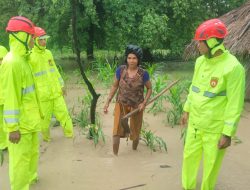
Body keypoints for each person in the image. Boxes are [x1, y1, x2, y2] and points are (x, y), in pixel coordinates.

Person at [181, 18, 245, 190]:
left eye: (200, 42)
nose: (198, 46)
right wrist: (186, 109)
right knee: (188, 159)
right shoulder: (200, 61)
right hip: (195, 124)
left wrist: (227, 133)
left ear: (212, 42)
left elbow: (235, 104)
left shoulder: (233, 68)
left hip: (215, 129)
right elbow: (194, 88)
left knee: (210, 168)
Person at [1, 16, 42, 190]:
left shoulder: (23, 61)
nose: (34, 40)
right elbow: (10, 98)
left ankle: (31, 181)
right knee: (19, 164)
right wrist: (13, 128)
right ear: (21, 36)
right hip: (21, 127)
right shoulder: (12, 64)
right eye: (31, 36)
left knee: (31, 156)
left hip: (30, 122)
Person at [104, 45, 152, 155]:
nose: (131, 61)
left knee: (135, 131)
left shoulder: (143, 73)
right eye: (129, 58)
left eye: (134, 58)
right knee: (116, 130)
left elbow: (149, 89)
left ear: (138, 59)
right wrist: (108, 101)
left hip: (137, 106)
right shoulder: (120, 70)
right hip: (121, 104)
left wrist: (144, 103)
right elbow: (114, 86)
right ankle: (115, 156)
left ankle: (134, 151)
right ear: (126, 58)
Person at [29, 26, 73, 142]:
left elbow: (55, 71)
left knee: (64, 114)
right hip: (43, 96)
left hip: (56, 92)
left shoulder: (48, 53)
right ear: (35, 41)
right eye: (41, 40)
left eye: (44, 39)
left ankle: (70, 137)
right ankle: (46, 139)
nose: (44, 42)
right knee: (44, 121)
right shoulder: (30, 57)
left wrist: (62, 85)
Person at [0, 45, 8, 151]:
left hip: (7, 99)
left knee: (9, 122)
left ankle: (9, 142)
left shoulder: (2, 49)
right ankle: (2, 145)